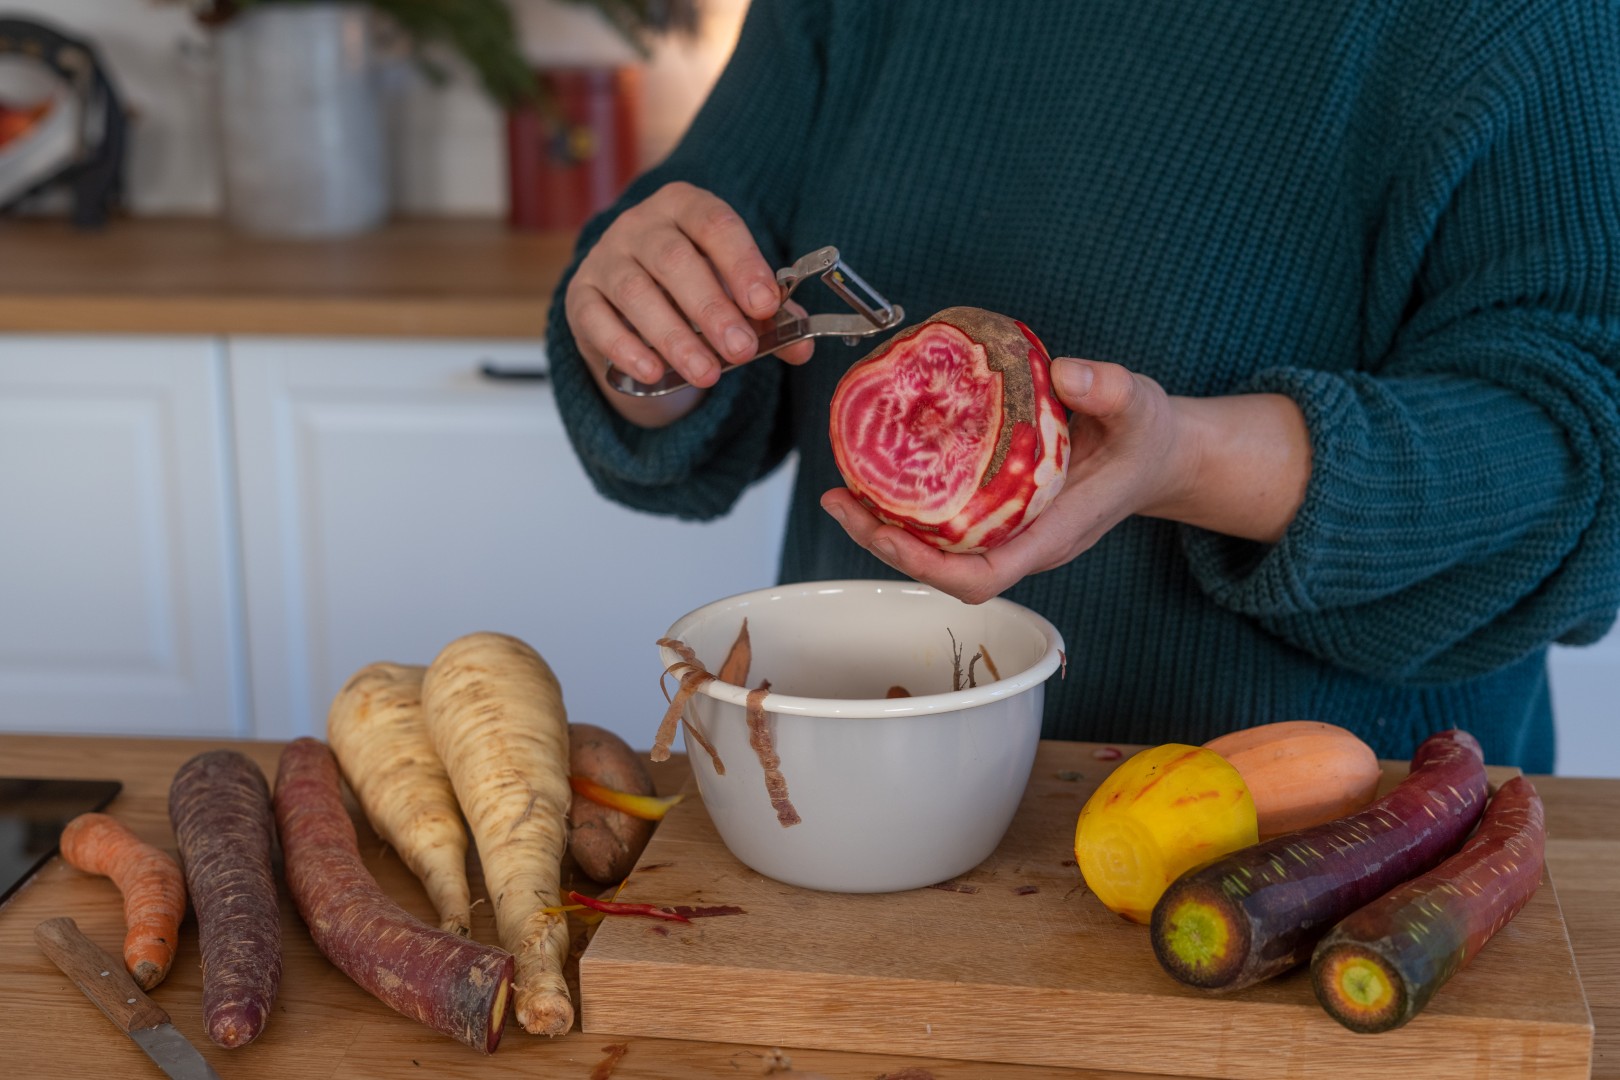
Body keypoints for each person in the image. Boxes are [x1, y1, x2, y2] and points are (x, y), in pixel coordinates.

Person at [544, 0, 1620, 772]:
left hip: (1316, 862)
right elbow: (689, 334)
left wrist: (1190, 460)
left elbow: (1583, 456)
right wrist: (645, 339)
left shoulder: (1523, 23)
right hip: (863, 808)